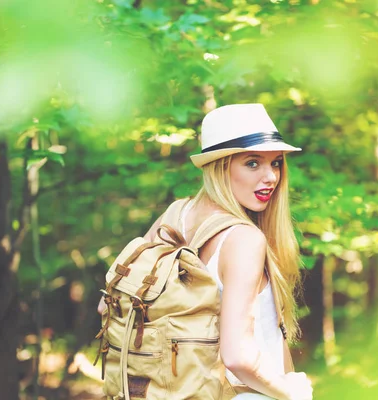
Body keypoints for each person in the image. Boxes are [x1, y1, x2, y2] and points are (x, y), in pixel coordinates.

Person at [99, 103, 313, 400]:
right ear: (220, 165)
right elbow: (238, 357)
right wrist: (293, 392)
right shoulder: (244, 239)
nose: (271, 177)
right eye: (252, 163)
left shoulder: (173, 216)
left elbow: (108, 305)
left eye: (275, 162)